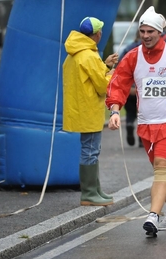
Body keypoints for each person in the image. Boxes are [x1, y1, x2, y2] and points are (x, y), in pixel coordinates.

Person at [106, 6, 166, 234]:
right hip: (146, 124)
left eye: (151, 31)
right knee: (164, 170)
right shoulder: (132, 57)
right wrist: (114, 112)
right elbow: (118, 84)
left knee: (162, 167)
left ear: (160, 32)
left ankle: (153, 215)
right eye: (143, 31)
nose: (146, 35)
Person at [62, 16, 118, 206]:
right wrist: (113, 75)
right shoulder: (89, 55)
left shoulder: (76, 53)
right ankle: (88, 193)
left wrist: (106, 65)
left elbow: (89, 75)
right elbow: (102, 85)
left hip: (80, 109)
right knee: (90, 150)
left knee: (91, 149)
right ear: (97, 35)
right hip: (89, 109)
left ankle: (95, 190)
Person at [119, 29, 166, 148]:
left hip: (131, 87)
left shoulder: (129, 49)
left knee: (130, 110)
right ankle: (142, 138)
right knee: (144, 113)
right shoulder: (149, 50)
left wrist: (128, 86)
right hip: (146, 86)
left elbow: (121, 66)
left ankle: (129, 123)